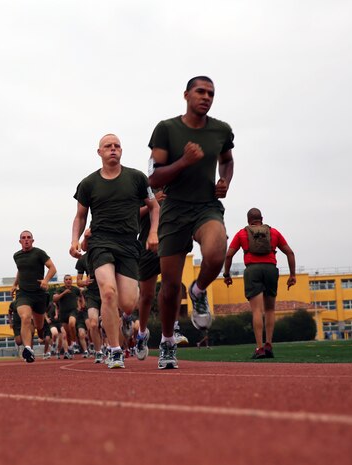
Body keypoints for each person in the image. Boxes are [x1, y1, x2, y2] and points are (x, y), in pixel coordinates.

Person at [148, 76, 234, 369]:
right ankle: (167, 342)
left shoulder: (221, 130)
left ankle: (198, 291)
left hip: (206, 206)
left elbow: (227, 159)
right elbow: (154, 177)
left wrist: (224, 180)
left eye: (211, 93)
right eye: (200, 91)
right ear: (186, 95)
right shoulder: (167, 129)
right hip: (174, 210)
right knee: (170, 287)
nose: (206, 97)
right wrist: (183, 161)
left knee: (215, 251)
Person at [71, 133, 159, 369]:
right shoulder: (88, 183)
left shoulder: (137, 178)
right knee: (108, 292)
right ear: (99, 152)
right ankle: (115, 350)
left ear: (121, 151)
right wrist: (74, 240)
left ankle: (130, 320)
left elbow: (154, 206)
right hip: (100, 242)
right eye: (107, 146)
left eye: (117, 146)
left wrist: (152, 233)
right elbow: (80, 216)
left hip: (129, 244)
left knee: (129, 303)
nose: (113, 149)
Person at [223, 208, 296, 359]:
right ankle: (269, 345)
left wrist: (227, 274)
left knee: (257, 310)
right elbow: (290, 252)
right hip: (270, 269)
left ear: (248, 220)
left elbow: (229, 255)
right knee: (270, 309)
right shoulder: (274, 232)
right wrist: (292, 275)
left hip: (252, 270)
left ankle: (260, 347)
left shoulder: (242, 233)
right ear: (261, 218)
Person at [134, 189, 187, 361]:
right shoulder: (143, 188)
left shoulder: (177, 186)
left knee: (172, 286)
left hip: (170, 244)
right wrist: (152, 203)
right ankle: (142, 334)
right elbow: (131, 216)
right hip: (148, 247)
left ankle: (175, 328)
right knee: (147, 295)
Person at [12, 230, 57, 363]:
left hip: (39, 294)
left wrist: (46, 280)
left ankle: (41, 333)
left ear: (32, 240)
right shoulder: (17, 256)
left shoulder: (39, 253)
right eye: (23, 238)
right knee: (25, 317)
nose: (26, 240)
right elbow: (20, 270)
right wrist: (15, 284)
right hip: (24, 294)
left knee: (39, 326)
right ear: (20, 241)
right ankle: (28, 349)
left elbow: (52, 268)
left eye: (28, 238)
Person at [76, 248, 105, 363]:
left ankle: (113, 349)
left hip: (106, 292)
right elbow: (78, 281)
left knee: (107, 324)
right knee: (93, 324)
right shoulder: (82, 259)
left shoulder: (105, 254)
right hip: (92, 294)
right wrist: (84, 282)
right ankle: (98, 352)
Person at [53, 275, 82, 357]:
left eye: (70, 279)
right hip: (63, 313)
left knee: (72, 324)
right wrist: (64, 293)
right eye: (66, 279)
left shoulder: (75, 289)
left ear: (72, 281)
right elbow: (55, 299)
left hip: (73, 311)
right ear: (64, 281)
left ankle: (75, 342)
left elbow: (81, 295)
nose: (68, 281)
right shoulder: (60, 289)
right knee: (67, 333)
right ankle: (70, 347)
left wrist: (81, 305)